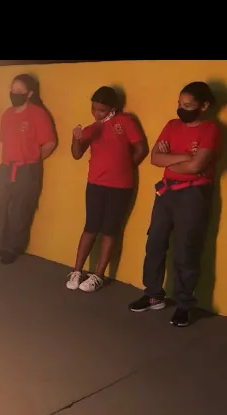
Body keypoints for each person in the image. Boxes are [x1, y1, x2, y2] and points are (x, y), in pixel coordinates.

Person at [129, 81, 220, 327]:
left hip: (194, 194)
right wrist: (185, 157)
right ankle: (153, 295)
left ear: (204, 106)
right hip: (166, 191)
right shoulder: (171, 125)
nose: (182, 109)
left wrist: (172, 160)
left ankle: (184, 304)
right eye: (180, 104)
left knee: (186, 248)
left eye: (188, 105)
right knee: (155, 241)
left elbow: (197, 166)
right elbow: (155, 158)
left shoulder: (210, 130)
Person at [66, 86, 147, 292]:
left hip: (120, 187)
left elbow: (141, 149)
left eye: (101, 110)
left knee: (110, 229)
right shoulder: (92, 128)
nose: (97, 113)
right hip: (95, 184)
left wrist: (125, 168)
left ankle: (98, 275)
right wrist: (76, 138)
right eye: (94, 109)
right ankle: (76, 271)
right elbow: (76, 154)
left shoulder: (126, 121)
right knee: (90, 227)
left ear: (113, 108)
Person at [0, 74, 56, 264]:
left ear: (29, 93)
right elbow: (5, 142)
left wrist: (32, 160)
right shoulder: (7, 114)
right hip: (7, 167)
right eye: (12, 90)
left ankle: (12, 248)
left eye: (19, 91)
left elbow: (50, 143)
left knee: (20, 211)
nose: (14, 94)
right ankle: (1, 243)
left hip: (27, 170)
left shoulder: (38, 114)